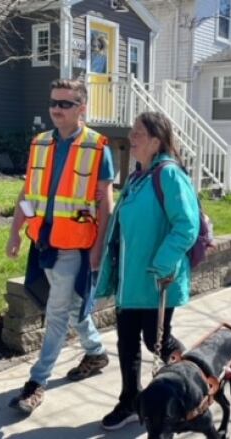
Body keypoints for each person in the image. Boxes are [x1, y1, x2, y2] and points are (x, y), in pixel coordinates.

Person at [6, 79, 114, 414]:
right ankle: (95, 351)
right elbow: (28, 193)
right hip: (43, 243)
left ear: (82, 108)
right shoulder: (40, 143)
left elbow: (106, 205)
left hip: (74, 246)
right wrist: (15, 232)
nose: (56, 109)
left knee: (55, 314)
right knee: (70, 307)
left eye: (65, 104)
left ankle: (37, 382)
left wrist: (98, 250)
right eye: (53, 102)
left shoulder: (98, 147)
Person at [94, 112, 199, 431]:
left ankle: (189, 388)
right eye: (132, 132)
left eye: (139, 133)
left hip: (156, 280)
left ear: (156, 142)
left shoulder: (168, 175)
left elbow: (186, 225)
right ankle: (130, 401)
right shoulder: (136, 178)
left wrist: (163, 264)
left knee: (157, 342)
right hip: (130, 282)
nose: (132, 137)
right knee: (126, 342)